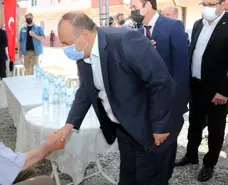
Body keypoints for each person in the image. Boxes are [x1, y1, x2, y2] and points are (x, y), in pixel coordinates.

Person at [56, 12, 177, 185]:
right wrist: (69, 125)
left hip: (150, 127)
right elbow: (85, 90)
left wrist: (161, 126)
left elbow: (160, 82)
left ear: (84, 35)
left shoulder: (126, 41)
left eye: (67, 44)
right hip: (124, 128)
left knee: (149, 179)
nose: (65, 49)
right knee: (128, 178)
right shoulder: (84, 53)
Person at [130, 0, 190, 179]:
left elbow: (181, 69)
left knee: (166, 150)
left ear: (148, 5)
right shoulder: (138, 32)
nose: (131, 11)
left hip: (169, 103)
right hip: (147, 101)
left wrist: (176, 106)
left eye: (134, 7)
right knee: (151, 150)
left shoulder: (173, 26)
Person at [175, 0, 228, 182]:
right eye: (204, 3)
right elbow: (193, 52)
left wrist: (224, 91)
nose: (207, 7)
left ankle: (209, 163)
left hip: (217, 91)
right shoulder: (198, 24)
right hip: (196, 85)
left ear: (223, 4)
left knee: (215, 128)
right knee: (194, 123)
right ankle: (191, 155)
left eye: (212, 3)